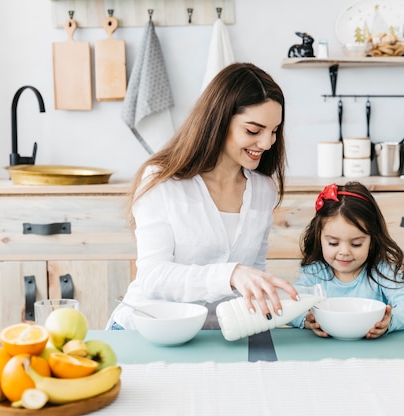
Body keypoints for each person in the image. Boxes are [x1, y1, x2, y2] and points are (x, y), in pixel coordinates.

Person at [107, 62, 299, 330]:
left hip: (218, 336)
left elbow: (254, 276)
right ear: (219, 121)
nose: (267, 143)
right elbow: (153, 276)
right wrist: (231, 274)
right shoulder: (162, 181)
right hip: (148, 330)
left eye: (274, 131)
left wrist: (299, 313)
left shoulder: (263, 190)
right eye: (253, 131)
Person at [289, 182, 404, 338]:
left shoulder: (381, 272)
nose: (344, 252)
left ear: (371, 241)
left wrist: (390, 321)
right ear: (319, 238)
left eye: (356, 244)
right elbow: (286, 307)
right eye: (333, 243)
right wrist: (305, 320)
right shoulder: (314, 273)